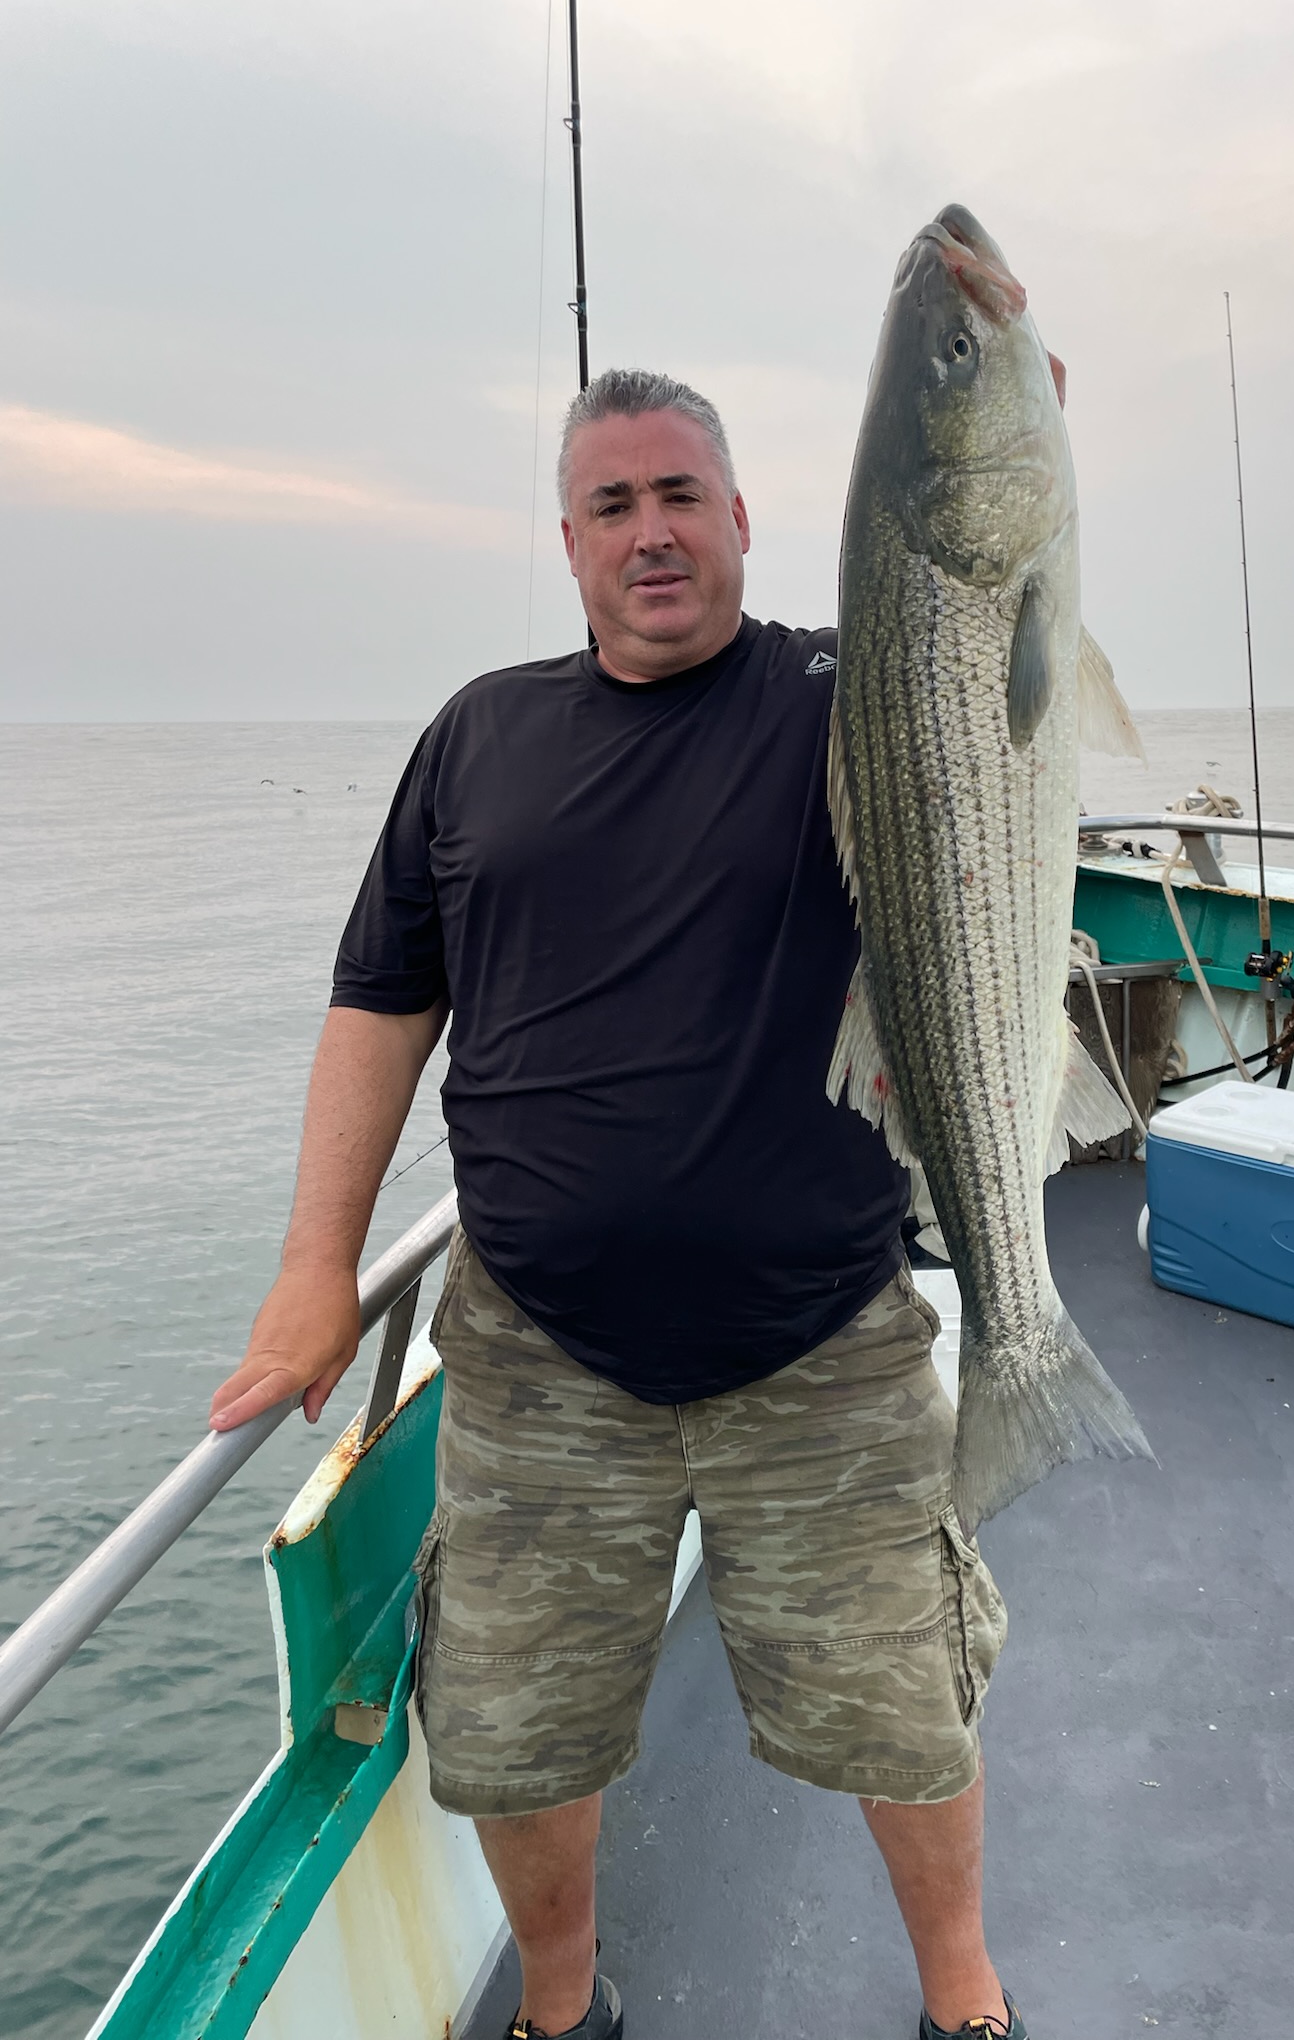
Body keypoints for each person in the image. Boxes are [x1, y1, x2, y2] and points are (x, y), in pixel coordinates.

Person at [211, 368, 1022, 2040]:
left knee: (910, 1712)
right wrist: (317, 1267)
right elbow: (380, 1001)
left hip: (824, 1341)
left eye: (680, 496)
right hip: (535, 1355)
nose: (651, 533)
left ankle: (968, 2002)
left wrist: (1001, 485)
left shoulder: (842, 694)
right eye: (612, 505)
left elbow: (986, 670)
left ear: (740, 517)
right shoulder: (477, 737)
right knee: (516, 1732)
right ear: (569, 544)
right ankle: (560, 2012)